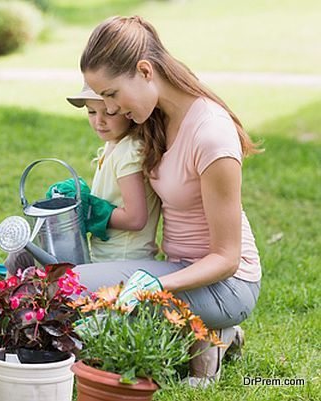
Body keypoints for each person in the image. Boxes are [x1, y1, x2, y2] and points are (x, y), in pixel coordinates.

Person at [74, 15, 262, 386]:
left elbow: (226, 259)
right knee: (74, 289)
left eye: (111, 94)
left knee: (91, 306)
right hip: (175, 268)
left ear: (144, 71)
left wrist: (158, 286)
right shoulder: (157, 116)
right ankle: (203, 335)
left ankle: (214, 334)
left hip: (227, 284)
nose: (109, 109)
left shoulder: (211, 135)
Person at [66, 83, 160, 262]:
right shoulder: (113, 144)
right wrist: (79, 197)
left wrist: (89, 209)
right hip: (106, 258)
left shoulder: (130, 152)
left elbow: (135, 219)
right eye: (91, 112)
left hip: (125, 261)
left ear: (128, 111)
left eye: (108, 112)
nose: (98, 121)